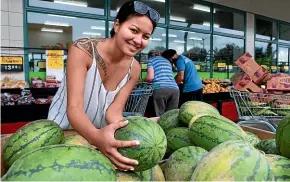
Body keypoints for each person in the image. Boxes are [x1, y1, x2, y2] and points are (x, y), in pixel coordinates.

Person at [47, 1, 160, 171]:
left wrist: (142, 127)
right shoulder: (83, 50)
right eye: (134, 30)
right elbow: (74, 108)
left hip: (98, 140)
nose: (138, 40)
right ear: (117, 25)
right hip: (61, 134)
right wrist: (97, 137)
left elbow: (113, 112)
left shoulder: (134, 69)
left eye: (145, 36)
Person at [143, 50, 180, 116]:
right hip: (175, 89)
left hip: (160, 87)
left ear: (149, 57)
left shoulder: (151, 60)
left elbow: (150, 78)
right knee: (171, 117)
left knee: (160, 116)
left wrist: (141, 80)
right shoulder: (168, 61)